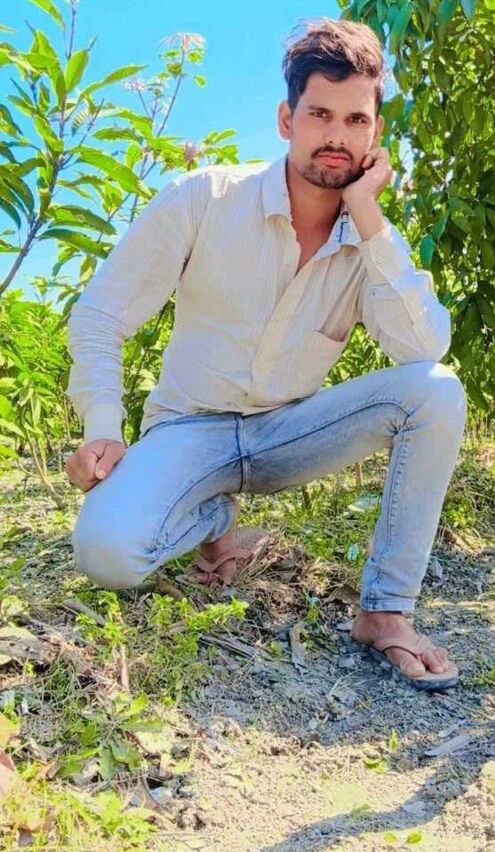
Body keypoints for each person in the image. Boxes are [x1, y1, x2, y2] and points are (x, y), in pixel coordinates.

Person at [64, 18, 466, 691]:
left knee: (438, 390)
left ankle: (385, 612)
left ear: (374, 134)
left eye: (356, 120)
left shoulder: (372, 245)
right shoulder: (203, 199)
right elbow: (101, 315)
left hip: (289, 434)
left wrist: (368, 216)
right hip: (188, 429)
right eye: (319, 115)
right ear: (287, 120)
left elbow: (423, 349)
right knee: (106, 553)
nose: (337, 136)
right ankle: (214, 516)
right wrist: (103, 427)